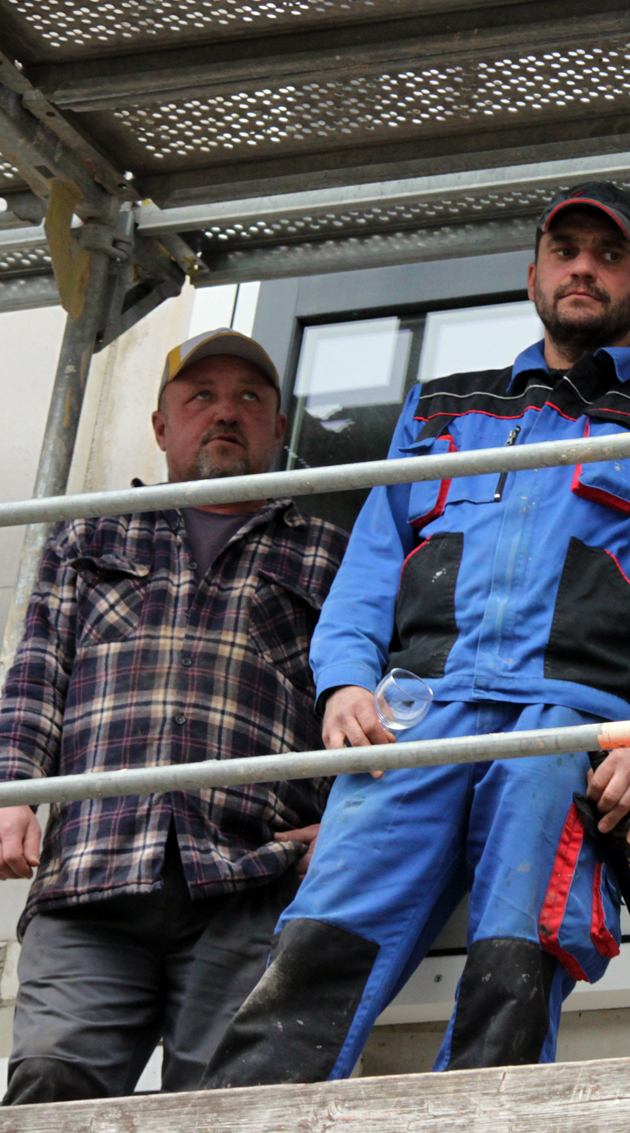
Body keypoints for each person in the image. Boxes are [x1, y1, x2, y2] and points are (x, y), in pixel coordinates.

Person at [203, 182, 630, 1084]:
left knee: (515, 967)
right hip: (410, 721)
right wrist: (342, 682)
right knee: (312, 953)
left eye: (609, 256)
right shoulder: (441, 407)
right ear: (531, 272)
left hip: (563, 728)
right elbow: (373, 561)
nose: (584, 269)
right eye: (566, 251)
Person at [0, 330, 346, 1103]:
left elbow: (377, 698)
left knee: (234, 1103)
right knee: (54, 1081)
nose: (225, 413)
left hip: (251, 875)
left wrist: (353, 817)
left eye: (249, 398)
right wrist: (14, 789)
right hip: (92, 869)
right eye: (201, 398)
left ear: (278, 426)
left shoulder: (331, 553)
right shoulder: (91, 534)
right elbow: (35, 675)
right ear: (161, 427)